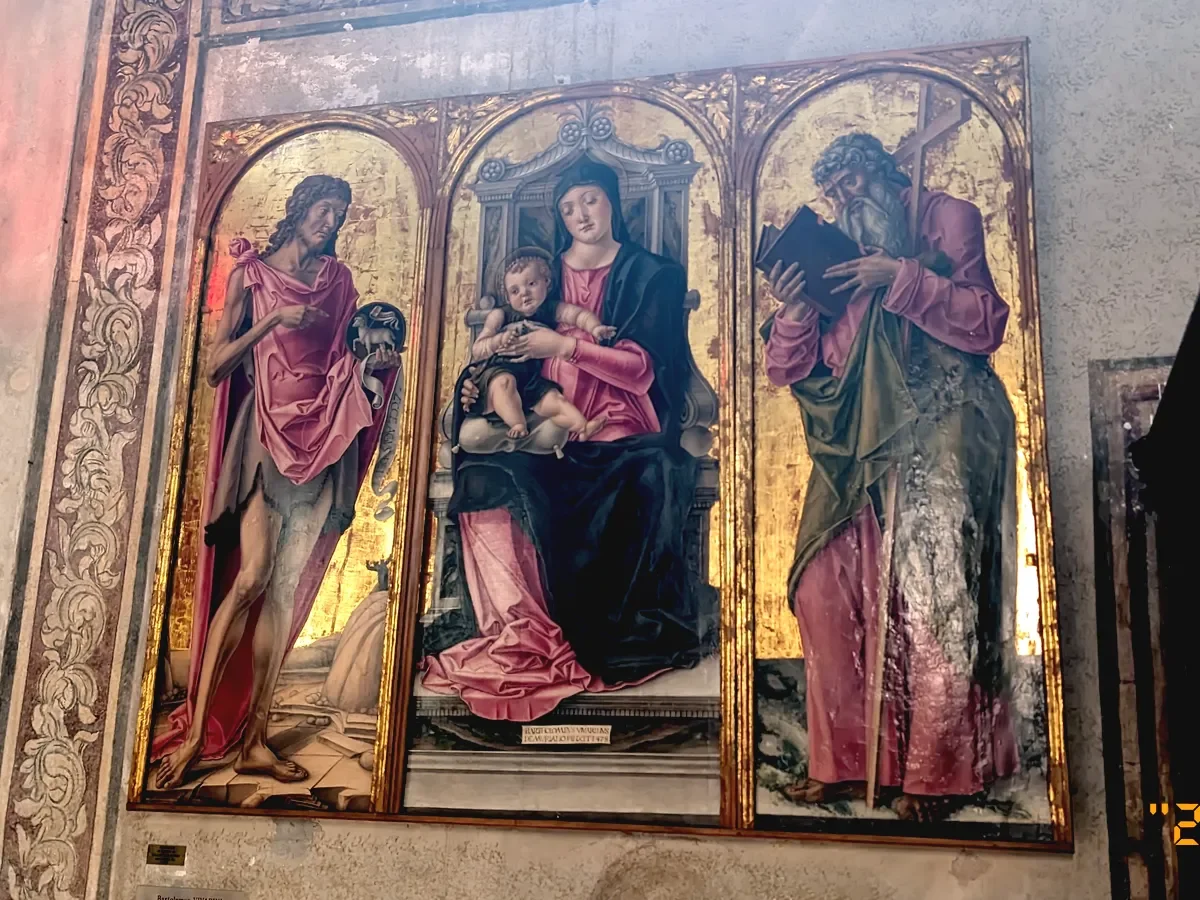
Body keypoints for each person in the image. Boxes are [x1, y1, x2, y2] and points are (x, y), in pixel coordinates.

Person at [761, 133, 1019, 821]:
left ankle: (940, 775)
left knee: (934, 589)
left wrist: (899, 277)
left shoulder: (946, 217)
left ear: (883, 173)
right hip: (853, 437)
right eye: (832, 192)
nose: (845, 199)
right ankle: (847, 763)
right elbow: (788, 370)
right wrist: (796, 310)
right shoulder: (835, 254)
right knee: (823, 590)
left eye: (851, 181)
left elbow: (986, 323)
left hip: (944, 416)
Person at [421, 155, 717, 721]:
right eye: (568, 207)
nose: (581, 214)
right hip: (539, 422)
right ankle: (520, 631)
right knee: (484, 472)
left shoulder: (650, 274)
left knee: (649, 475)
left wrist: (564, 348)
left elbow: (641, 373)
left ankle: (604, 641)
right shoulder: (542, 274)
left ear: (611, 202)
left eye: (590, 200)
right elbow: (494, 353)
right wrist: (474, 387)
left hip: (623, 426)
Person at [153, 175, 400, 789]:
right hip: (267, 432)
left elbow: (346, 352)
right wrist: (271, 321)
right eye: (323, 209)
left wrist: (374, 365)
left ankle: (255, 741)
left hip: (323, 435)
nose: (330, 222)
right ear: (298, 209)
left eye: (339, 214)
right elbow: (216, 367)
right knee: (252, 578)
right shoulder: (252, 276)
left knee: (283, 591)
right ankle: (196, 733)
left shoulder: (340, 280)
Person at [464, 249, 612, 443]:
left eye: (531, 284)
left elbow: (579, 316)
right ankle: (518, 424)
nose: (524, 293)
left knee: (554, 399)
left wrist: (595, 328)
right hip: (498, 371)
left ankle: (583, 427)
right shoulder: (500, 315)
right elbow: (478, 349)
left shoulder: (552, 309)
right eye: (515, 291)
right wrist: (497, 341)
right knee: (504, 384)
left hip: (531, 376)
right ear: (507, 297)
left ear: (547, 282)